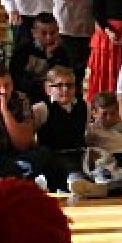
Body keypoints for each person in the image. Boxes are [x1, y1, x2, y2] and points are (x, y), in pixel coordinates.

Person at [30, 65, 91, 193]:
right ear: (48, 88)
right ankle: (77, 184)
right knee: (71, 171)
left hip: (80, 153)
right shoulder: (41, 109)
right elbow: (29, 137)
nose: (65, 89)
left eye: (69, 85)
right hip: (56, 156)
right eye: (59, 85)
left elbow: (84, 133)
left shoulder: (84, 106)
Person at [9, 11, 71, 106]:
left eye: (53, 33)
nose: (49, 37)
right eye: (44, 33)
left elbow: (61, 79)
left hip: (50, 98)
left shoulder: (62, 53)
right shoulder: (22, 50)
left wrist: (50, 56)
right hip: (24, 96)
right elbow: (16, 78)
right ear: (34, 33)